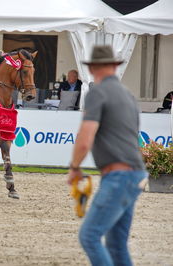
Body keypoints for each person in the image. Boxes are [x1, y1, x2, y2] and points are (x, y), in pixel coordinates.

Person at [67, 45, 148, 266]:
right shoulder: (128, 95)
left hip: (119, 176)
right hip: (136, 174)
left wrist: (74, 167)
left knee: (89, 236)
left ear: (92, 69)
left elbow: (85, 137)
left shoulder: (98, 92)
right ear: (114, 66)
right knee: (116, 244)